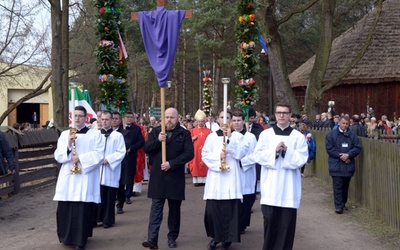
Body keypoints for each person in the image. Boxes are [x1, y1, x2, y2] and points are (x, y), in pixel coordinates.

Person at [243, 102, 308, 250]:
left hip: (289, 187)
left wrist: (286, 152)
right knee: (270, 223)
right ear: (275, 114)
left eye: (285, 112)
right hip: (271, 186)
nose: (282, 115)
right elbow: (258, 156)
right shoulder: (266, 134)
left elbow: (303, 158)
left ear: (290, 115)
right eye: (279, 112)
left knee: (286, 226)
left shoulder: (298, 136)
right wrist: (274, 152)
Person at [53, 106, 105, 250]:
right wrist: (69, 145)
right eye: (75, 116)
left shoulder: (95, 135)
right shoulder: (65, 135)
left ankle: (80, 240)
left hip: (84, 177)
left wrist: (80, 158)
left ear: (86, 118)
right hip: (68, 178)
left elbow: (99, 154)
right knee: (66, 208)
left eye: (80, 116)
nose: (77, 118)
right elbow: (58, 155)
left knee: (81, 210)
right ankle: (66, 237)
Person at [142, 108, 194, 249]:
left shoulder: (184, 134)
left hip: (175, 178)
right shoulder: (156, 132)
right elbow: (147, 148)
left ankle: (172, 237)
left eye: (172, 117)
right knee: (156, 209)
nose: (169, 120)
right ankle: (152, 239)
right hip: (159, 178)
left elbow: (189, 154)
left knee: (174, 210)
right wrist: (158, 141)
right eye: (166, 117)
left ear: (178, 118)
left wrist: (172, 164)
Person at [202, 110, 244, 250]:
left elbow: (240, 154)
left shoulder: (237, 137)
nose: (224, 120)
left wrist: (229, 142)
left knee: (230, 210)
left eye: (227, 117)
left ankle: (227, 239)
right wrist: (218, 158)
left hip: (231, 177)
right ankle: (216, 237)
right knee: (214, 211)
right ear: (217, 120)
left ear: (231, 120)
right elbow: (205, 155)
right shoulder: (212, 137)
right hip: (216, 177)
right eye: (222, 117)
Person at [325, 115, 362, 214]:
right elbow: (329, 149)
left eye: (346, 124)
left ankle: (343, 203)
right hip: (336, 165)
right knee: (337, 186)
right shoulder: (331, 135)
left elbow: (357, 147)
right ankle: (338, 206)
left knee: (345, 186)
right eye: (343, 123)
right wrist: (341, 156)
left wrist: (349, 155)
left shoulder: (352, 135)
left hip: (348, 165)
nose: (345, 125)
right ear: (339, 123)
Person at [96, 111, 125, 228]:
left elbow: (121, 152)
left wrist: (108, 159)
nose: (104, 122)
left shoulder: (118, 136)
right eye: (102, 119)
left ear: (112, 120)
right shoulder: (96, 135)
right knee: (97, 196)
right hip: (97, 171)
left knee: (109, 197)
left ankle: (107, 220)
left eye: (107, 119)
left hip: (110, 171)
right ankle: (96, 218)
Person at [232, 111, 257, 235]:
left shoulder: (250, 137)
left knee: (246, 200)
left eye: (238, 120)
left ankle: (242, 224)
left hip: (246, 172)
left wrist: (243, 162)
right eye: (234, 120)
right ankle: (235, 223)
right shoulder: (228, 136)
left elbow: (255, 154)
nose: (236, 123)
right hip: (232, 173)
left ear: (243, 121)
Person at [124, 111, 145, 203]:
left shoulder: (137, 129)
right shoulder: (120, 128)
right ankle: (119, 195)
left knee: (130, 176)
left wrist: (131, 148)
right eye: (127, 117)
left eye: (130, 117)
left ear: (133, 118)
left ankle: (128, 196)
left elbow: (141, 142)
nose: (129, 118)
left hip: (131, 155)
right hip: (119, 156)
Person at [188, 109, 211, 186]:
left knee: (204, 164)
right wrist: (192, 139)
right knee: (196, 164)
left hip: (205, 150)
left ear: (204, 122)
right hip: (196, 151)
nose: (201, 123)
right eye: (199, 121)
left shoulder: (208, 131)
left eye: (202, 121)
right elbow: (188, 141)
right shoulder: (193, 130)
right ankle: (196, 181)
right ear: (197, 122)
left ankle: (204, 181)